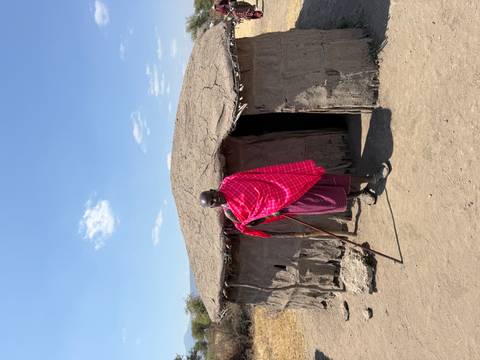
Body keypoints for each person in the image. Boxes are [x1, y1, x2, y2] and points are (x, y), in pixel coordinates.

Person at [199, 160, 391, 238]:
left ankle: (371, 178)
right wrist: (272, 213)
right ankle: (362, 194)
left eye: (212, 195)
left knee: (331, 180)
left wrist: (283, 176)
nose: (216, 198)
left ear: (212, 189)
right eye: (213, 201)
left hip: (286, 184)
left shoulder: (229, 181)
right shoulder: (232, 214)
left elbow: (258, 175)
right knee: (327, 199)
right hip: (288, 204)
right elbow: (254, 222)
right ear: (214, 206)